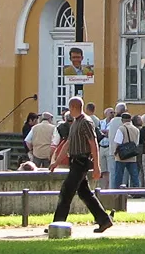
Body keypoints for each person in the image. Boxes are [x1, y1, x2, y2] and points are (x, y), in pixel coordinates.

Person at [50, 96, 112, 233]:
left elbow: (93, 143)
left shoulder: (85, 122)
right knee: (85, 193)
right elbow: (68, 144)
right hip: (75, 161)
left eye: (69, 108)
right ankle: (104, 220)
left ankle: (57, 224)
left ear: (73, 107)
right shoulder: (76, 123)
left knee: (66, 192)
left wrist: (97, 166)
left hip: (81, 161)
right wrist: (56, 162)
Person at [112, 112, 141, 188]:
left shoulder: (121, 129)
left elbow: (118, 142)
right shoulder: (136, 130)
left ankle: (117, 192)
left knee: (118, 176)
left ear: (122, 120)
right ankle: (136, 191)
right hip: (132, 155)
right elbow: (136, 143)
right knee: (134, 175)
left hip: (121, 156)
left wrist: (115, 152)